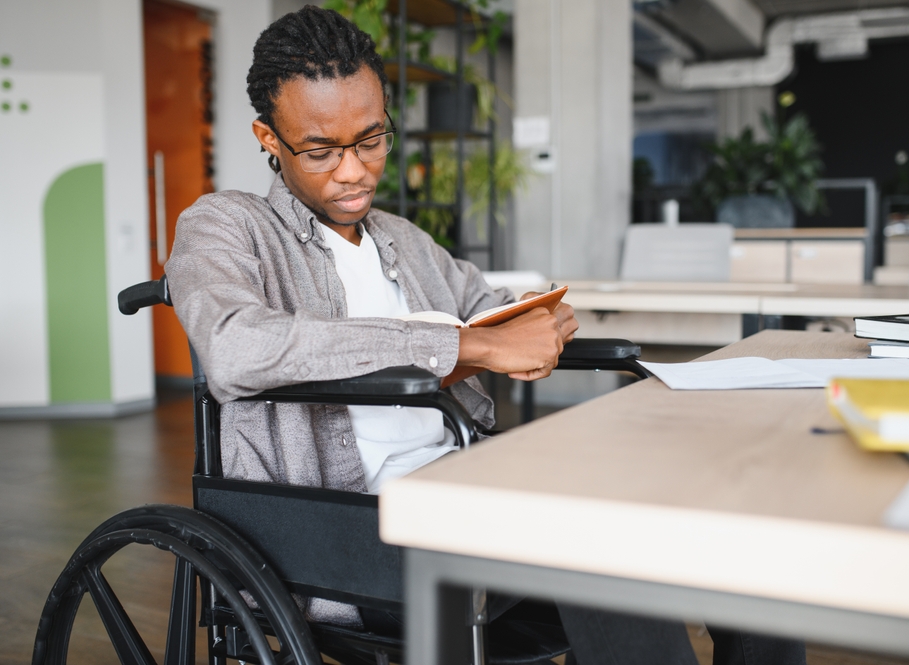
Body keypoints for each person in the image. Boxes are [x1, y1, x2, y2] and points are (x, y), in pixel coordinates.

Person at [165, 7, 806, 665]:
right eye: (321, 150)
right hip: (357, 535)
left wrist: (537, 316)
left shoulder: (400, 240)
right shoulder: (225, 225)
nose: (354, 171)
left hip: (470, 479)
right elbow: (237, 348)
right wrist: (467, 348)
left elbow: (488, 306)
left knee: (726, 513)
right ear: (268, 138)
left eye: (372, 139)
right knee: (604, 535)